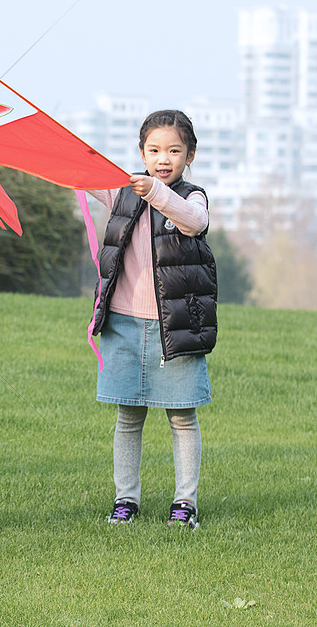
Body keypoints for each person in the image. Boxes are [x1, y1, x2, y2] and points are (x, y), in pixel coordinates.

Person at [86, 109, 217, 529]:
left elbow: (194, 223)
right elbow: (83, 175)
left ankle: (185, 504)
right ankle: (126, 500)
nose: (163, 158)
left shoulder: (191, 197)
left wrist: (156, 191)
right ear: (141, 152)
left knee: (181, 416)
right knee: (128, 417)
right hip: (123, 323)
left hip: (173, 325)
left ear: (189, 156)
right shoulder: (124, 193)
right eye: (154, 150)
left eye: (174, 151)